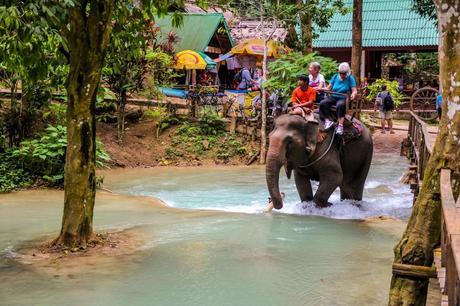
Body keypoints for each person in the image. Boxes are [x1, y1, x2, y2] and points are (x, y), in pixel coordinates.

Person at [318, 62, 357, 135]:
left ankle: (340, 125)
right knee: (323, 103)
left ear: (347, 73)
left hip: (343, 97)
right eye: (341, 73)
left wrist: (353, 94)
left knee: (340, 105)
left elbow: (354, 90)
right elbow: (328, 88)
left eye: (344, 74)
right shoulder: (335, 76)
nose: (342, 75)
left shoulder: (350, 78)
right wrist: (320, 89)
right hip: (334, 96)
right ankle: (327, 120)